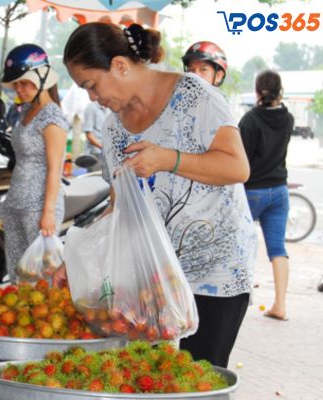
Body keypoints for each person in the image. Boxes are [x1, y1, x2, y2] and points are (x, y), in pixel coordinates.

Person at [63, 23, 257, 368]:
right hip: (154, 274)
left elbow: (237, 168)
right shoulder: (113, 129)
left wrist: (168, 159)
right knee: (147, 374)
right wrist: (87, 256)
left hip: (216, 268)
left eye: (91, 85)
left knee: (200, 375)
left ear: (120, 65)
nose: (93, 98)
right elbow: (120, 203)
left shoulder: (195, 96)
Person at [0, 44, 68, 282]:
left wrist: (47, 213)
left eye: (25, 83)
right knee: (17, 276)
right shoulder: (27, 110)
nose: (20, 89)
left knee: (41, 280)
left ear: (43, 78)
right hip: (15, 204)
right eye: (16, 84)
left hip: (38, 209)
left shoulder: (52, 117)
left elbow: (55, 168)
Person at [239, 70, 294, 321]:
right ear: (280, 90)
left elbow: (241, 160)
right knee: (278, 249)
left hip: (252, 191)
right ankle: (280, 304)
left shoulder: (249, 120)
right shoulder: (288, 119)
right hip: (280, 190)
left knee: (239, 245)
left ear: (257, 91)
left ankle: (241, 297)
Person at [82, 101, 110, 171]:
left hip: (108, 153)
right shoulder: (91, 108)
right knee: (95, 178)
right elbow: (89, 135)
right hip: (95, 153)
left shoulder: (109, 108)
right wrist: (104, 147)